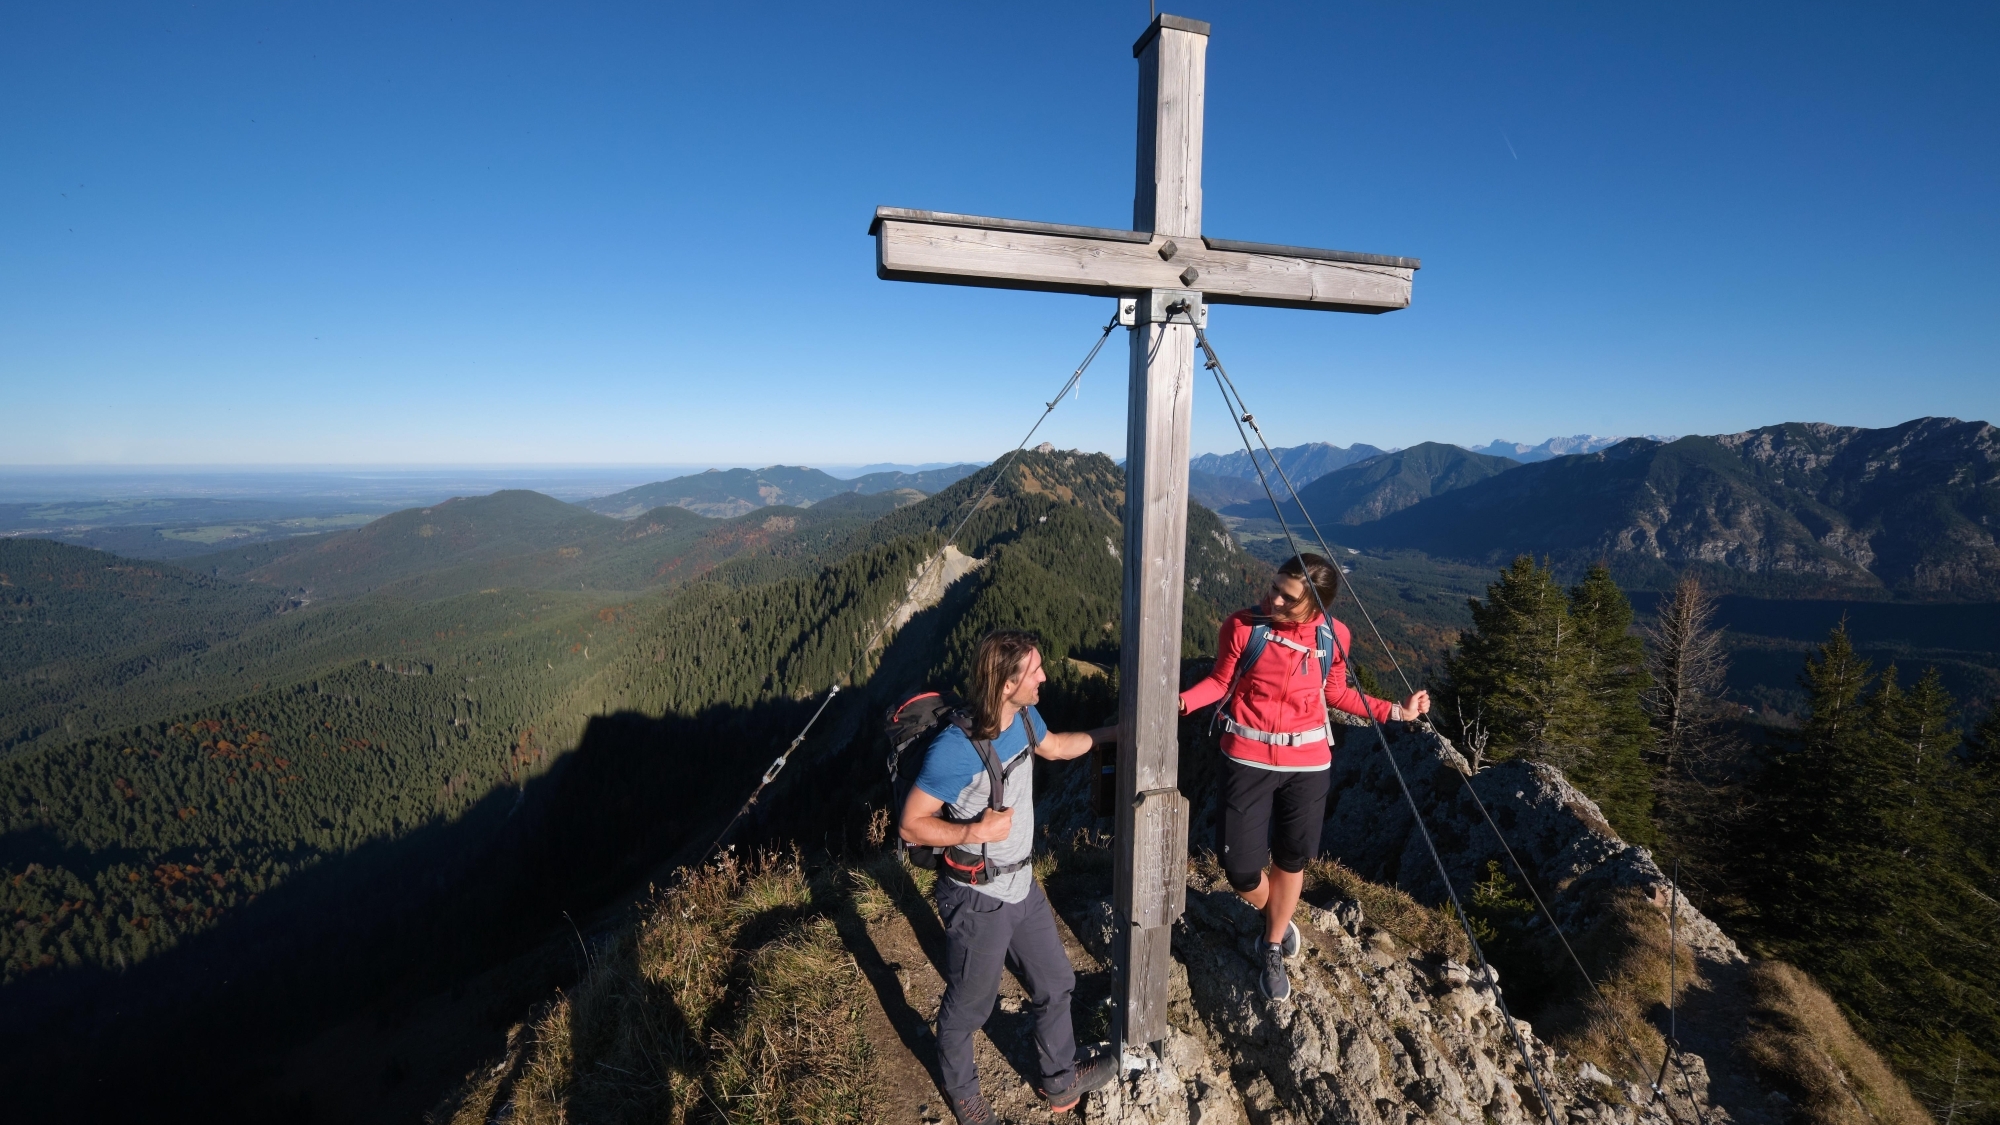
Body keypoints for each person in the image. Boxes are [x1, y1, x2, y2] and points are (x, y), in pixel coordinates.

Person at [1179, 553, 1430, 1002]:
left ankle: (1271, 942)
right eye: (1273, 586)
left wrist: (1397, 711)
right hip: (1247, 756)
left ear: (1316, 606)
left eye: (1286, 596)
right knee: (1238, 868)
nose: (1271, 597)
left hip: (1308, 765)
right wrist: (1180, 702)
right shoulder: (1243, 626)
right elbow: (1219, 683)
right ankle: (1280, 914)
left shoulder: (1335, 637)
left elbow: (1336, 693)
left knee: (1291, 860)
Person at [901, 630, 1120, 1124]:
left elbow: (1057, 747)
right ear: (1004, 683)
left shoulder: (1023, 715)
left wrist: (1112, 736)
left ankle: (1060, 1081)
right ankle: (964, 1094)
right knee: (970, 1008)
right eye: (1035, 670)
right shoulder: (955, 749)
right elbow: (911, 822)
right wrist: (975, 828)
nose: (1045, 675)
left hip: (1023, 883)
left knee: (1056, 981)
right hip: (977, 897)